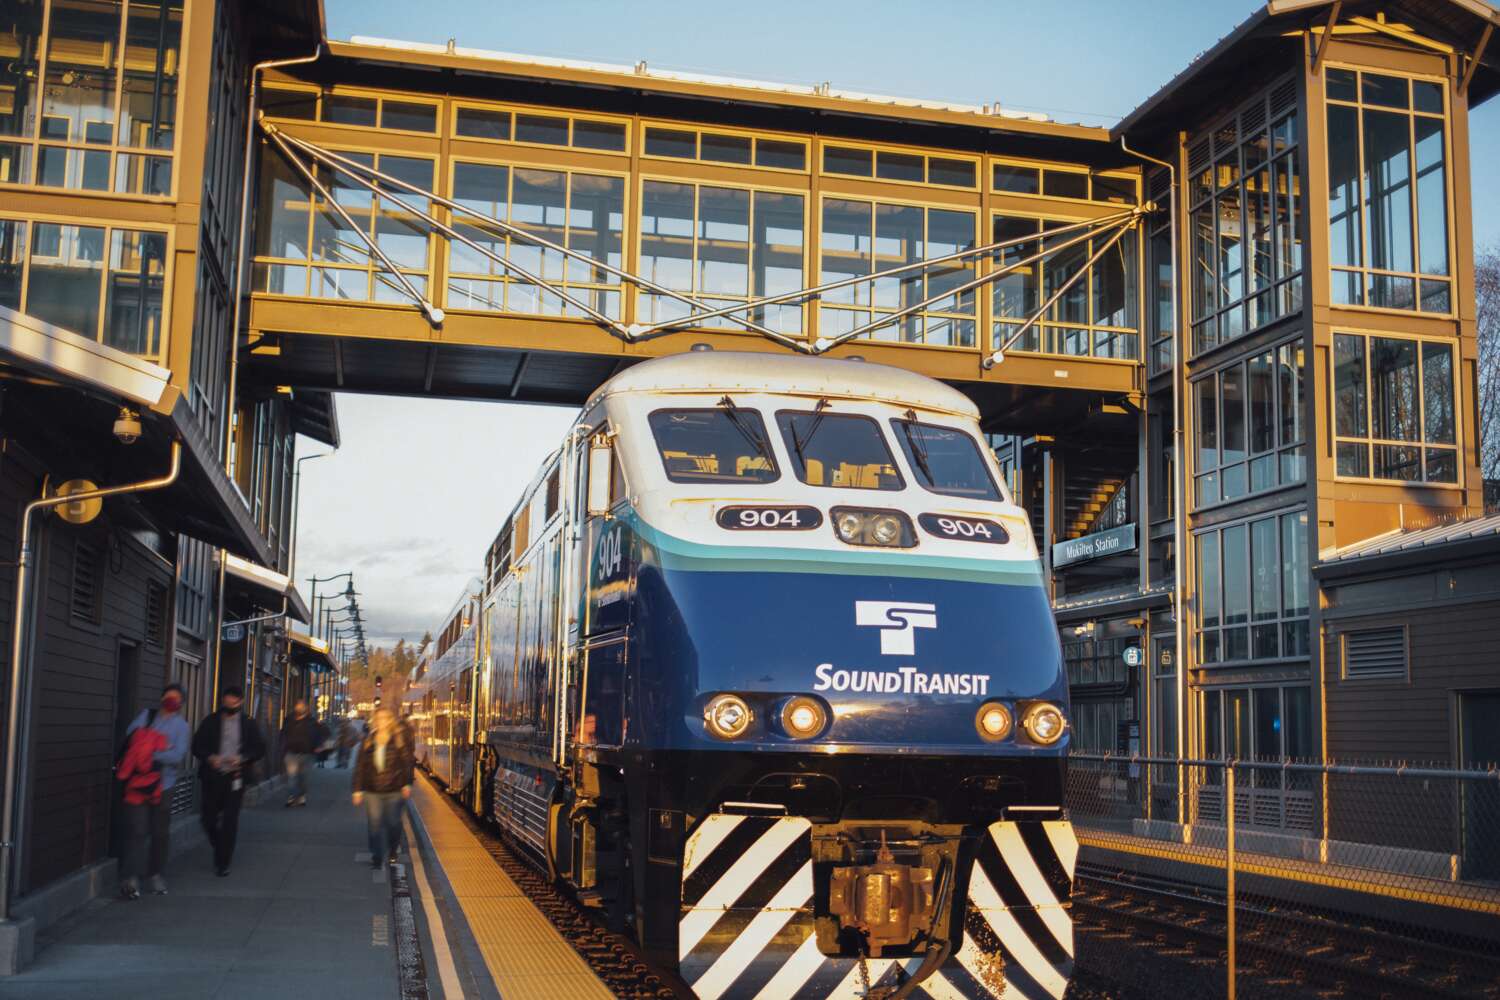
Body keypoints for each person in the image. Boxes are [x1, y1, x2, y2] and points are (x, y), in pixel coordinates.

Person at [118, 684, 191, 897]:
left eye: (176, 698)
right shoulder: (146, 716)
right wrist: (159, 749)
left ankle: (155, 874)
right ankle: (130, 877)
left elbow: (177, 756)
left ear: (181, 703)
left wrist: (148, 753)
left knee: (160, 833)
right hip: (138, 785)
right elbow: (131, 739)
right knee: (137, 831)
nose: (171, 700)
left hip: (164, 784)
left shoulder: (182, 727)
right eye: (168, 696)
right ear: (161, 698)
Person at [191, 687, 265, 877]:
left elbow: (259, 748)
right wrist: (209, 757)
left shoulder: (248, 723)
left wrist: (243, 758)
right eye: (227, 702)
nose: (230, 705)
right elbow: (197, 745)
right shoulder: (211, 721)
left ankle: (223, 863)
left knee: (230, 820)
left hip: (236, 776)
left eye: (234, 702)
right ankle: (220, 844)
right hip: (213, 775)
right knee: (208, 818)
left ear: (240, 702)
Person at [352, 708, 414, 870]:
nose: (381, 722)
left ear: (390, 721)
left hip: (394, 789)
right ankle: (377, 856)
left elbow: (407, 763)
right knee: (374, 824)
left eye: (385, 718)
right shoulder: (368, 741)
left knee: (393, 823)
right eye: (378, 719)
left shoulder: (399, 740)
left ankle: (393, 849)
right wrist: (357, 790)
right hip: (372, 790)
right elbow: (360, 767)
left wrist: (407, 783)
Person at [115, 725, 167, 900]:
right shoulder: (160, 741)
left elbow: (122, 774)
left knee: (137, 835)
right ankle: (149, 876)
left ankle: (131, 880)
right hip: (154, 794)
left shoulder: (137, 742)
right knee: (155, 835)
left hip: (135, 796)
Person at [280, 700, 323, 807]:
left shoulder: (312, 722)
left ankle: (301, 795)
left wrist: (318, 745)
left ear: (306, 709)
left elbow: (320, 735)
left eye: (301, 706)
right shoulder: (289, 720)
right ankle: (291, 796)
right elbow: (283, 734)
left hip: (307, 753)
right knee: (291, 776)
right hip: (291, 753)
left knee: (304, 777)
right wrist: (283, 747)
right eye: (298, 706)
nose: (299, 708)